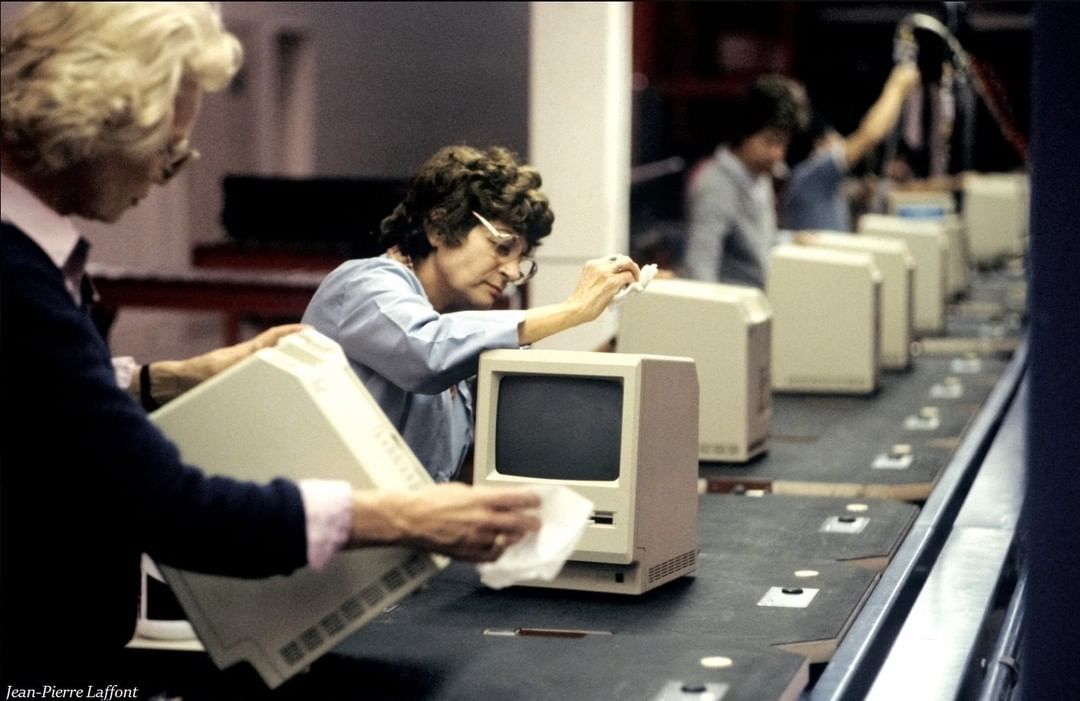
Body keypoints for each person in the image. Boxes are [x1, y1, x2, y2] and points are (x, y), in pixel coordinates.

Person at [0, 3, 540, 685]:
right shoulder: (15, 274)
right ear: (93, 117)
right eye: (168, 148)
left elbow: (44, 404)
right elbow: (172, 506)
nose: (169, 174)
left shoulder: (33, 266)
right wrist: (400, 515)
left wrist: (173, 377)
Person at [303, 144, 642, 482]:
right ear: (439, 226)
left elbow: (530, 416)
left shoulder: (454, 328)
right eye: (502, 247)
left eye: (520, 261)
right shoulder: (362, 285)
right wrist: (574, 310)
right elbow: (428, 351)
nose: (511, 273)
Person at [681, 74, 806, 288]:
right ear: (744, 132)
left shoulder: (759, 175)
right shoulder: (715, 185)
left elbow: (761, 243)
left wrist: (790, 240)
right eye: (770, 142)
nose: (778, 153)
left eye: (783, 144)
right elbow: (700, 269)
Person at [782, 63, 922, 232]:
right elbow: (870, 135)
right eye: (831, 137)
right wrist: (897, 85)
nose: (839, 141)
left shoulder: (824, 182)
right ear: (817, 145)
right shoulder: (810, 175)